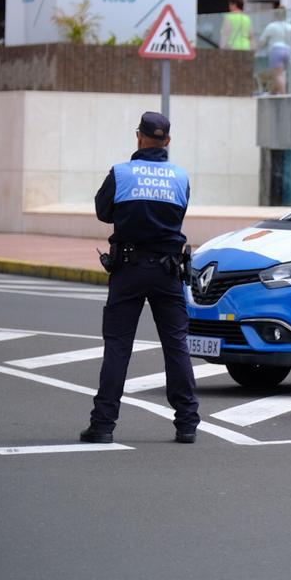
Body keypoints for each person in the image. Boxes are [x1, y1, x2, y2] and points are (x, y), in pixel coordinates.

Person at [81, 112, 200, 445]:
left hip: (129, 269)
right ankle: (187, 423)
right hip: (168, 271)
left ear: (139, 137)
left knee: (118, 347)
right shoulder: (180, 177)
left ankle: (103, 425)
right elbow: (178, 213)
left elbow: (103, 212)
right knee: (176, 345)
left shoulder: (121, 173)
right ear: (168, 141)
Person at [259, 7, 291, 94]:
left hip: (276, 50)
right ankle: (272, 93)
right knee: (281, 74)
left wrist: (257, 48)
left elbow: (262, 41)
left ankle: (283, 94)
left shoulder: (271, 26)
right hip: (288, 51)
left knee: (277, 75)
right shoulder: (290, 27)